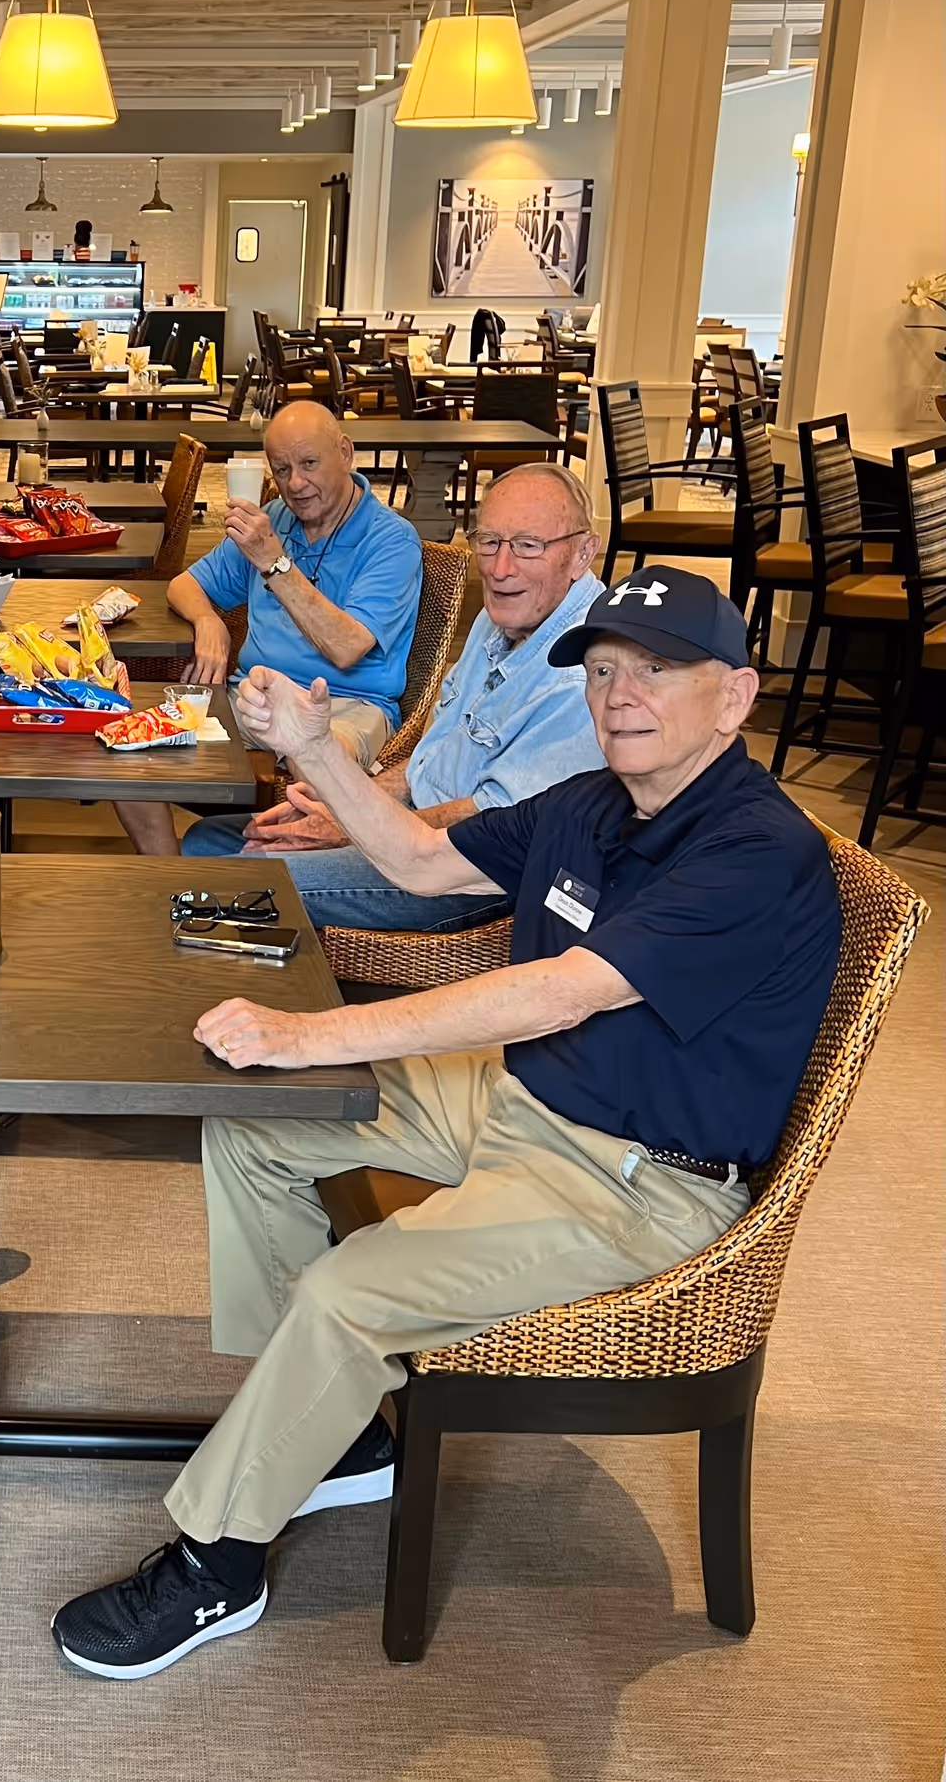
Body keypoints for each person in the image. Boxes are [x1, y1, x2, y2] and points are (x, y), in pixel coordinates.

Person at [53, 565, 842, 1680]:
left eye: (658, 671)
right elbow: (425, 860)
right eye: (606, 669)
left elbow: (563, 989)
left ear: (737, 694)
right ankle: (334, 1426)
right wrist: (321, 745)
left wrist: (312, 1033)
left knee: (348, 1286)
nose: (620, 694)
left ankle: (218, 1562)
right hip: (528, 1097)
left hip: (636, 1178)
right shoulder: (595, 800)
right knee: (257, 1123)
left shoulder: (758, 852)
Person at [180, 461, 607, 932]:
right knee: (206, 842)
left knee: (227, 878)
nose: (502, 569)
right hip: (413, 822)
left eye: (528, 546)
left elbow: (498, 823)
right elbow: (434, 755)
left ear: (584, 552)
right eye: (489, 542)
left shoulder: (583, 673)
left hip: (465, 870)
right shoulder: (507, 614)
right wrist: (356, 802)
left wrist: (354, 825)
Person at [116, 400, 423, 856]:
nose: (295, 484)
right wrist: (208, 620)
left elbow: (346, 647)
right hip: (254, 696)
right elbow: (183, 585)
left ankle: (279, 893)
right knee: (129, 739)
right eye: (281, 469)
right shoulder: (276, 518)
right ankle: (171, 881)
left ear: (345, 452)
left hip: (346, 704)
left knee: (317, 765)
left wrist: (273, 562)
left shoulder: (390, 540)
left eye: (309, 464)